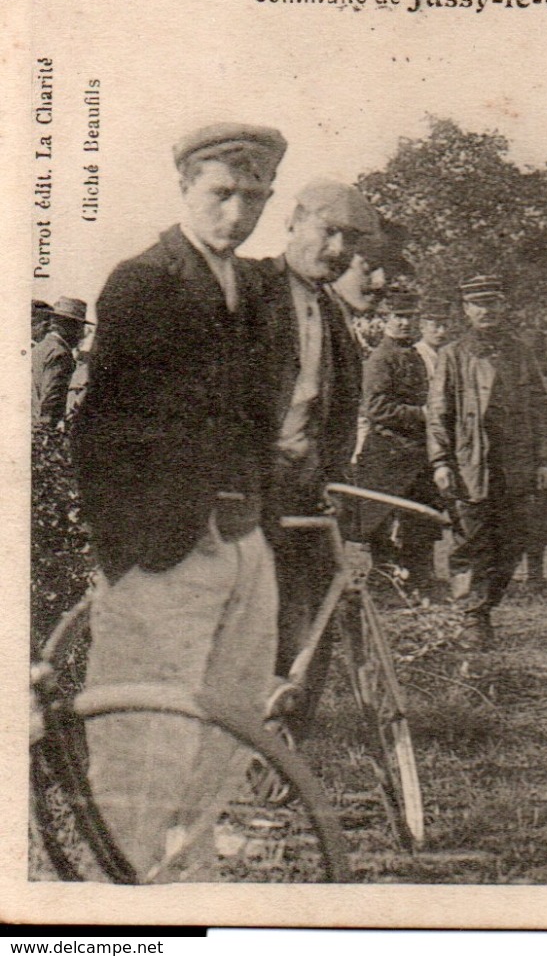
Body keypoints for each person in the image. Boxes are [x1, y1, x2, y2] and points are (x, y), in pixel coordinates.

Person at [71, 122, 286, 879]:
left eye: (255, 196)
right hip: (163, 552)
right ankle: (118, 897)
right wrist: (129, 557)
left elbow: (262, 414)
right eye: (221, 194)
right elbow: (100, 432)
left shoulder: (262, 290)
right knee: (141, 740)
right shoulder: (144, 282)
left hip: (244, 541)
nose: (239, 212)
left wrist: (254, 519)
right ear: (186, 190)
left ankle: (189, 884)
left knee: (228, 727)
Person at [257, 180, 377, 689]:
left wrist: (331, 482)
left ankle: (285, 751)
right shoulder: (248, 290)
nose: (337, 251)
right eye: (328, 233)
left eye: (349, 241)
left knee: (308, 639)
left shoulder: (333, 315)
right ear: (293, 221)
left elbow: (339, 418)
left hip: (306, 495)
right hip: (246, 494)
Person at [427, 275, 547, 647]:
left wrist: (545, 462)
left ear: (503, 307)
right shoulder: (452, 355)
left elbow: (541, 412)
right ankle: (472, 616)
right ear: (466, 309)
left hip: (516, 466)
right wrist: (441, 462)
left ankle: (483, 607)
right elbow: (439, 414)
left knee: (512, 540)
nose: (487, 310)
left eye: (493, 303)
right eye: (479, 304)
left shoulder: (521, 355)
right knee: (472, 540)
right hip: (472, 464)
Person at [354, 290, 440, 594]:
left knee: (421, 519)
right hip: (388, 452)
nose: (404, 323)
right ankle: (384, 579)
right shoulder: (381, 358)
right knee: (381, 521)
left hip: (415, 453)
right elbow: (375, 408)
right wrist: (422, 414)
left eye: (410, 317)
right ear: (385, 319)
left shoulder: (415, 355)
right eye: (398, 317)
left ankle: (419, 578)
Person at [32, 297, 90, 429]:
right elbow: (51, 399)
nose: (81, 334)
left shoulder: (39, 348)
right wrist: (48, 431)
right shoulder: (61, 353)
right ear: (70, 326)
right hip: (43, 433)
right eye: (80, 327)